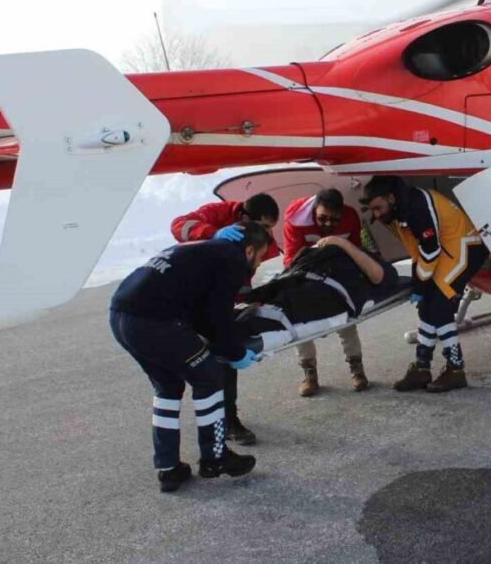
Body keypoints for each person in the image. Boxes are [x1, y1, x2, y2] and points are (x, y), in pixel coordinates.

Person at [109, 222, 271, 492]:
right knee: (209, 377)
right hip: (153, 320)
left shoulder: (203, 249)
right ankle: (215, 458)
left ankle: (168, 467)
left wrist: (220, 343)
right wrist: (236, 353)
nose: (258, 263)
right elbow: (216, 317)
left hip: (120, 316)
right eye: (261, 256)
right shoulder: (232, 259)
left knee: (168, 387)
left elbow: (198, 312)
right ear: (250, 250)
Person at [360, 176, 489, 393]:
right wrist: (421, 283)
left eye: (378, 208)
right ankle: (422, 368)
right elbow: (420, 250)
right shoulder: (401, 206)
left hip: (465, 246)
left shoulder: (416, 207)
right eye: (372, 210)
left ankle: (456, 370)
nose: (376, 214)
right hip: (446, 247)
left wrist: (420, 286)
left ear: (390, 197)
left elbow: (430, 250)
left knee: (440, 309)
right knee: (427, 308)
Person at [170, 192, 279, 447]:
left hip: (215, 299)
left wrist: (248, 301)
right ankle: (214, 433)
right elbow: (179, 225)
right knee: (201, 366)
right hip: (190, 301)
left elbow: (240, 279)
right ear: (244, 218)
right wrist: (212, 233)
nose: (267, 235)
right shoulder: (218, 215)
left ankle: (227, 421)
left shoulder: (251, 244)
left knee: (224, 360)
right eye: (263, 227)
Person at [235, 236, 400, 358]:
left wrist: (344, 244)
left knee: (285, 307)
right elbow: (287, 273)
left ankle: (234, 332)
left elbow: (378, 276)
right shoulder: (319, 249)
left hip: (330, 291)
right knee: (256, 297)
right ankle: (224, 321)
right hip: (298, 276)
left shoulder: (366, 259)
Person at [281, 188, 369, 396]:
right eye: (323, 218)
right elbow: (290, 260)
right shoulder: (295, 220)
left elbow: (356, 249)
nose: (328, 224)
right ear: (313, 210)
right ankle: (309, 373)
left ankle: (357, 369)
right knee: (299, 322)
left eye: (334, 220)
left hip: (338, 272)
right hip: (304, 273)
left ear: (342, 213)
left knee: (347, 320)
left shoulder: (350, 217)